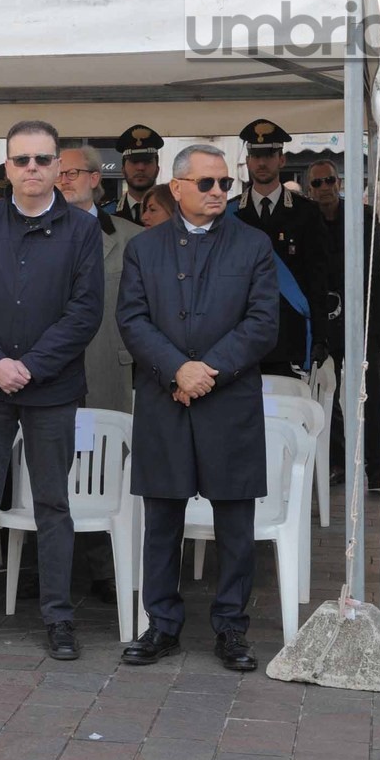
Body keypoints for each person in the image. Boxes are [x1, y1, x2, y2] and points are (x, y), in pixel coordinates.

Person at [0, 120, 104, 661]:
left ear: (59, 166)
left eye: (42, 159)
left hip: (51, 389)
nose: (31, 168)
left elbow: (84, 313)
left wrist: (27, 366)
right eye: (21, 160)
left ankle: (57, 617)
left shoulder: (81, 230)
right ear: (7, 168)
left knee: (53, 504)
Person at [117, 144, 278, 672]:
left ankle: (231, 628)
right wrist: (176, 370)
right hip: (167, 401)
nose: (218, 193)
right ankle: (161, 624)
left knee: (235, 521)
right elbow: (133, 320)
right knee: (162, 516)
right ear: (177, 186)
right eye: (207, 184)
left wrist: (205, 371)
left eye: (225, 185)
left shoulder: (253, 245)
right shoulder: (146, 248)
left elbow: (262, 323)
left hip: (227, 402)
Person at [308, 161, 380, 489]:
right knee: (327, 389)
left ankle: (378, 468)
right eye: (317, 182)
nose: (324, 186)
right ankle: (337, 460)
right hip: (324, 319)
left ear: (338, 182)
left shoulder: (364, 216)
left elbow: (373, 267)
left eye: (329, 180)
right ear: (310, 188)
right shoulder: (307, 219)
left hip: (363, 317)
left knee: (373, 392)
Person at [231, 119, 330, 378]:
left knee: (292, 414)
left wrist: (321, 336)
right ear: (248, 161)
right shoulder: (231, 213)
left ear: (282, 160)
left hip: (290, 335)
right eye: (255, 155)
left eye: (269, 155)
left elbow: (317, 279)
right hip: (241, 336)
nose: (262, 163)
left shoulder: (306, 213)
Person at [60, 144, 143, 412]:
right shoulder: (32, 236)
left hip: (110, 372)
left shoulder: (133, 238)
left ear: (94, 178)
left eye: (71, 173)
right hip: (49, 373)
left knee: (110, 451)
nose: (63, 181)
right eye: (57, 174)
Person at [104, 124, 164, 225]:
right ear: (123, 170)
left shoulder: (173, 212)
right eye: (134, 161)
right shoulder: (106, 214)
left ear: (157, 169)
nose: (140, 168)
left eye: (147, 161)